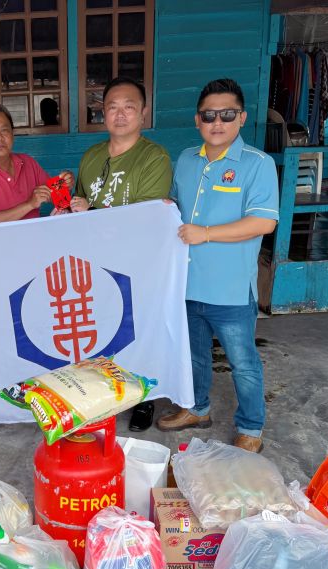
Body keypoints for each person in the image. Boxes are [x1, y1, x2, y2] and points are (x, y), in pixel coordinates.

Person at [156, 78, 278, 453]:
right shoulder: (187, 160)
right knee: (193, 355)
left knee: (243, 364)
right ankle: (197, 408)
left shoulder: (258, 164)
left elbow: (263, 222)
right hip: (188, 285)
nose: (217, 122)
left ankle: (251, 427)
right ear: (198, 120)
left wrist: (205, 233)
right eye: (209, 115)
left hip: (230, 289)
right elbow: (175, 205)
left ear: (241, 118)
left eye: (227, 114)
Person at [70, 77, 172, 432]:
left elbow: (145, 218)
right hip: (96, 262)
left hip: (138, 262)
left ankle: (143, 400)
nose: (120, 114)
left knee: (138, 332)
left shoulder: (154, 157)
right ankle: (106, 395)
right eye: (112, 106)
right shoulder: (92, 156)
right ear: (103, 113)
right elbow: (78, 209)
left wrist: (90, 210)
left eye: (129, 106)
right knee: (102, 332)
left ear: (143, 113)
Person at [0, 103, 73, 224]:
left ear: (12, 134)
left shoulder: (27, 162)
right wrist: (30, 204)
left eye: (4, 130)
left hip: (33, 239)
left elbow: (55, 196)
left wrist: (65, 183)